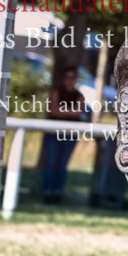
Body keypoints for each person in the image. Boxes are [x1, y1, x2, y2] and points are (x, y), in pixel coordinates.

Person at [41, 67, 87, 203]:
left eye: (72, 78)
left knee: (63, 164)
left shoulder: (79, 95)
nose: (70, 81)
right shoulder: (57, 92)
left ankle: (57, 193)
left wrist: (63, 111)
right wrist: (69, 112)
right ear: (64, 79)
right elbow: (54, 111)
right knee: (52, 162)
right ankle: (47, 193)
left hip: (71, 134)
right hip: (54, 132)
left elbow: (78, 112)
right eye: (68, 77)